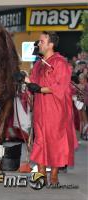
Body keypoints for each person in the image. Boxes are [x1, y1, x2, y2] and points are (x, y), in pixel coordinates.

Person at [24, 31, 78, 185]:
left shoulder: (60, 63)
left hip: (56, 109)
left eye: (41, 41)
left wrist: (39, 89)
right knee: (40, 139)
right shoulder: (39, 64)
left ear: (50, 44)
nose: (38, 43)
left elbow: (60, 87)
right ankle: (41, 173)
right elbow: (32, 82)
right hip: (40, 109)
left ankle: (54, 175)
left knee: (55, 140)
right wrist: (24, 79)